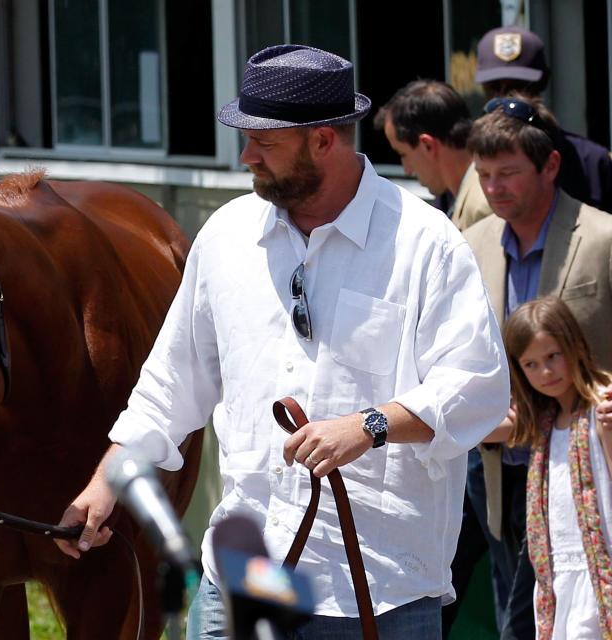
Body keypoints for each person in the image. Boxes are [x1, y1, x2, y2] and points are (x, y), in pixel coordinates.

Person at [55, 44, 510, 639]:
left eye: (264, 143)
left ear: (324, 140)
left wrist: (368, 425)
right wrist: (103, 483)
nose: (246, 157)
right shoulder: (226, 237)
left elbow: (476, 387)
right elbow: (172, 382)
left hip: (373, 589)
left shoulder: (426, 244)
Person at [462, 96, 612, 639]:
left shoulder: (601, 238)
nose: (494, 188)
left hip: (587, 457)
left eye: (508, 173)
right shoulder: (470, 245)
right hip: (499, 463)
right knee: (518, 606)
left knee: (587, 601)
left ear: (550, 166)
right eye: (483, 175)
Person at [501, 297, 612, 639]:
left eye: (553, 356)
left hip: (601, 571)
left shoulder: (602, 406)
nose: (545, 372)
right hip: (556, 578)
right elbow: (474, 427)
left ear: (574, 344)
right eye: (530, 364)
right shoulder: (543, 422)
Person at [474, 25, 612, 213]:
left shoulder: (592, 162)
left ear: (544, 82)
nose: (507, 99)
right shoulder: (468, 160)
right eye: (494, 87)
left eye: (520, 87)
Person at [374, 79, 492, 230]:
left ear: (427, 145)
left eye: (403, 154)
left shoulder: (481, 208)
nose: (407, 170)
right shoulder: (465, 197)